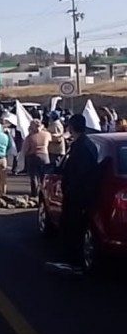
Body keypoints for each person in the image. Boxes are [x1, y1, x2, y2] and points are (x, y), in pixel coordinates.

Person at [59, 114, 100, 267]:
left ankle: (74, 262)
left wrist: (70, 190)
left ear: (72, 127)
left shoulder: (81, 147)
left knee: (74, 229)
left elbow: (79, 173)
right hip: (80, 194)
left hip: (78, 196)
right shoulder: (86, 144)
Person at [23, 119, 52, 197]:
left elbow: (25, 149)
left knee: (34, 177)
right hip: (45, 156)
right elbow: (50, 140)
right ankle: (44, 194)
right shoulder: (47, 134)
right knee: (44, 177)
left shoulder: (30, 137)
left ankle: (34, 194)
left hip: (33, 156)